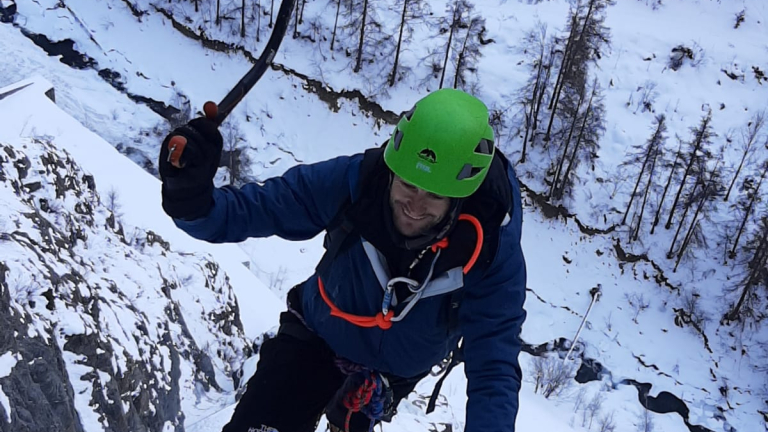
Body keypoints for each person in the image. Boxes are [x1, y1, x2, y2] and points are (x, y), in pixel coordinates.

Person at [159, 88, 527, 432]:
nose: (414, 205)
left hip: (392, 371)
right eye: (408, 184)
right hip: (318, 335)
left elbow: (493, 367)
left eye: (433, 194)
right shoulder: (359, 183)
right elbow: (257, 208)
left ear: (461, 196)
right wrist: (190, 197)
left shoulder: (491, 251)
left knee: (349, 418)